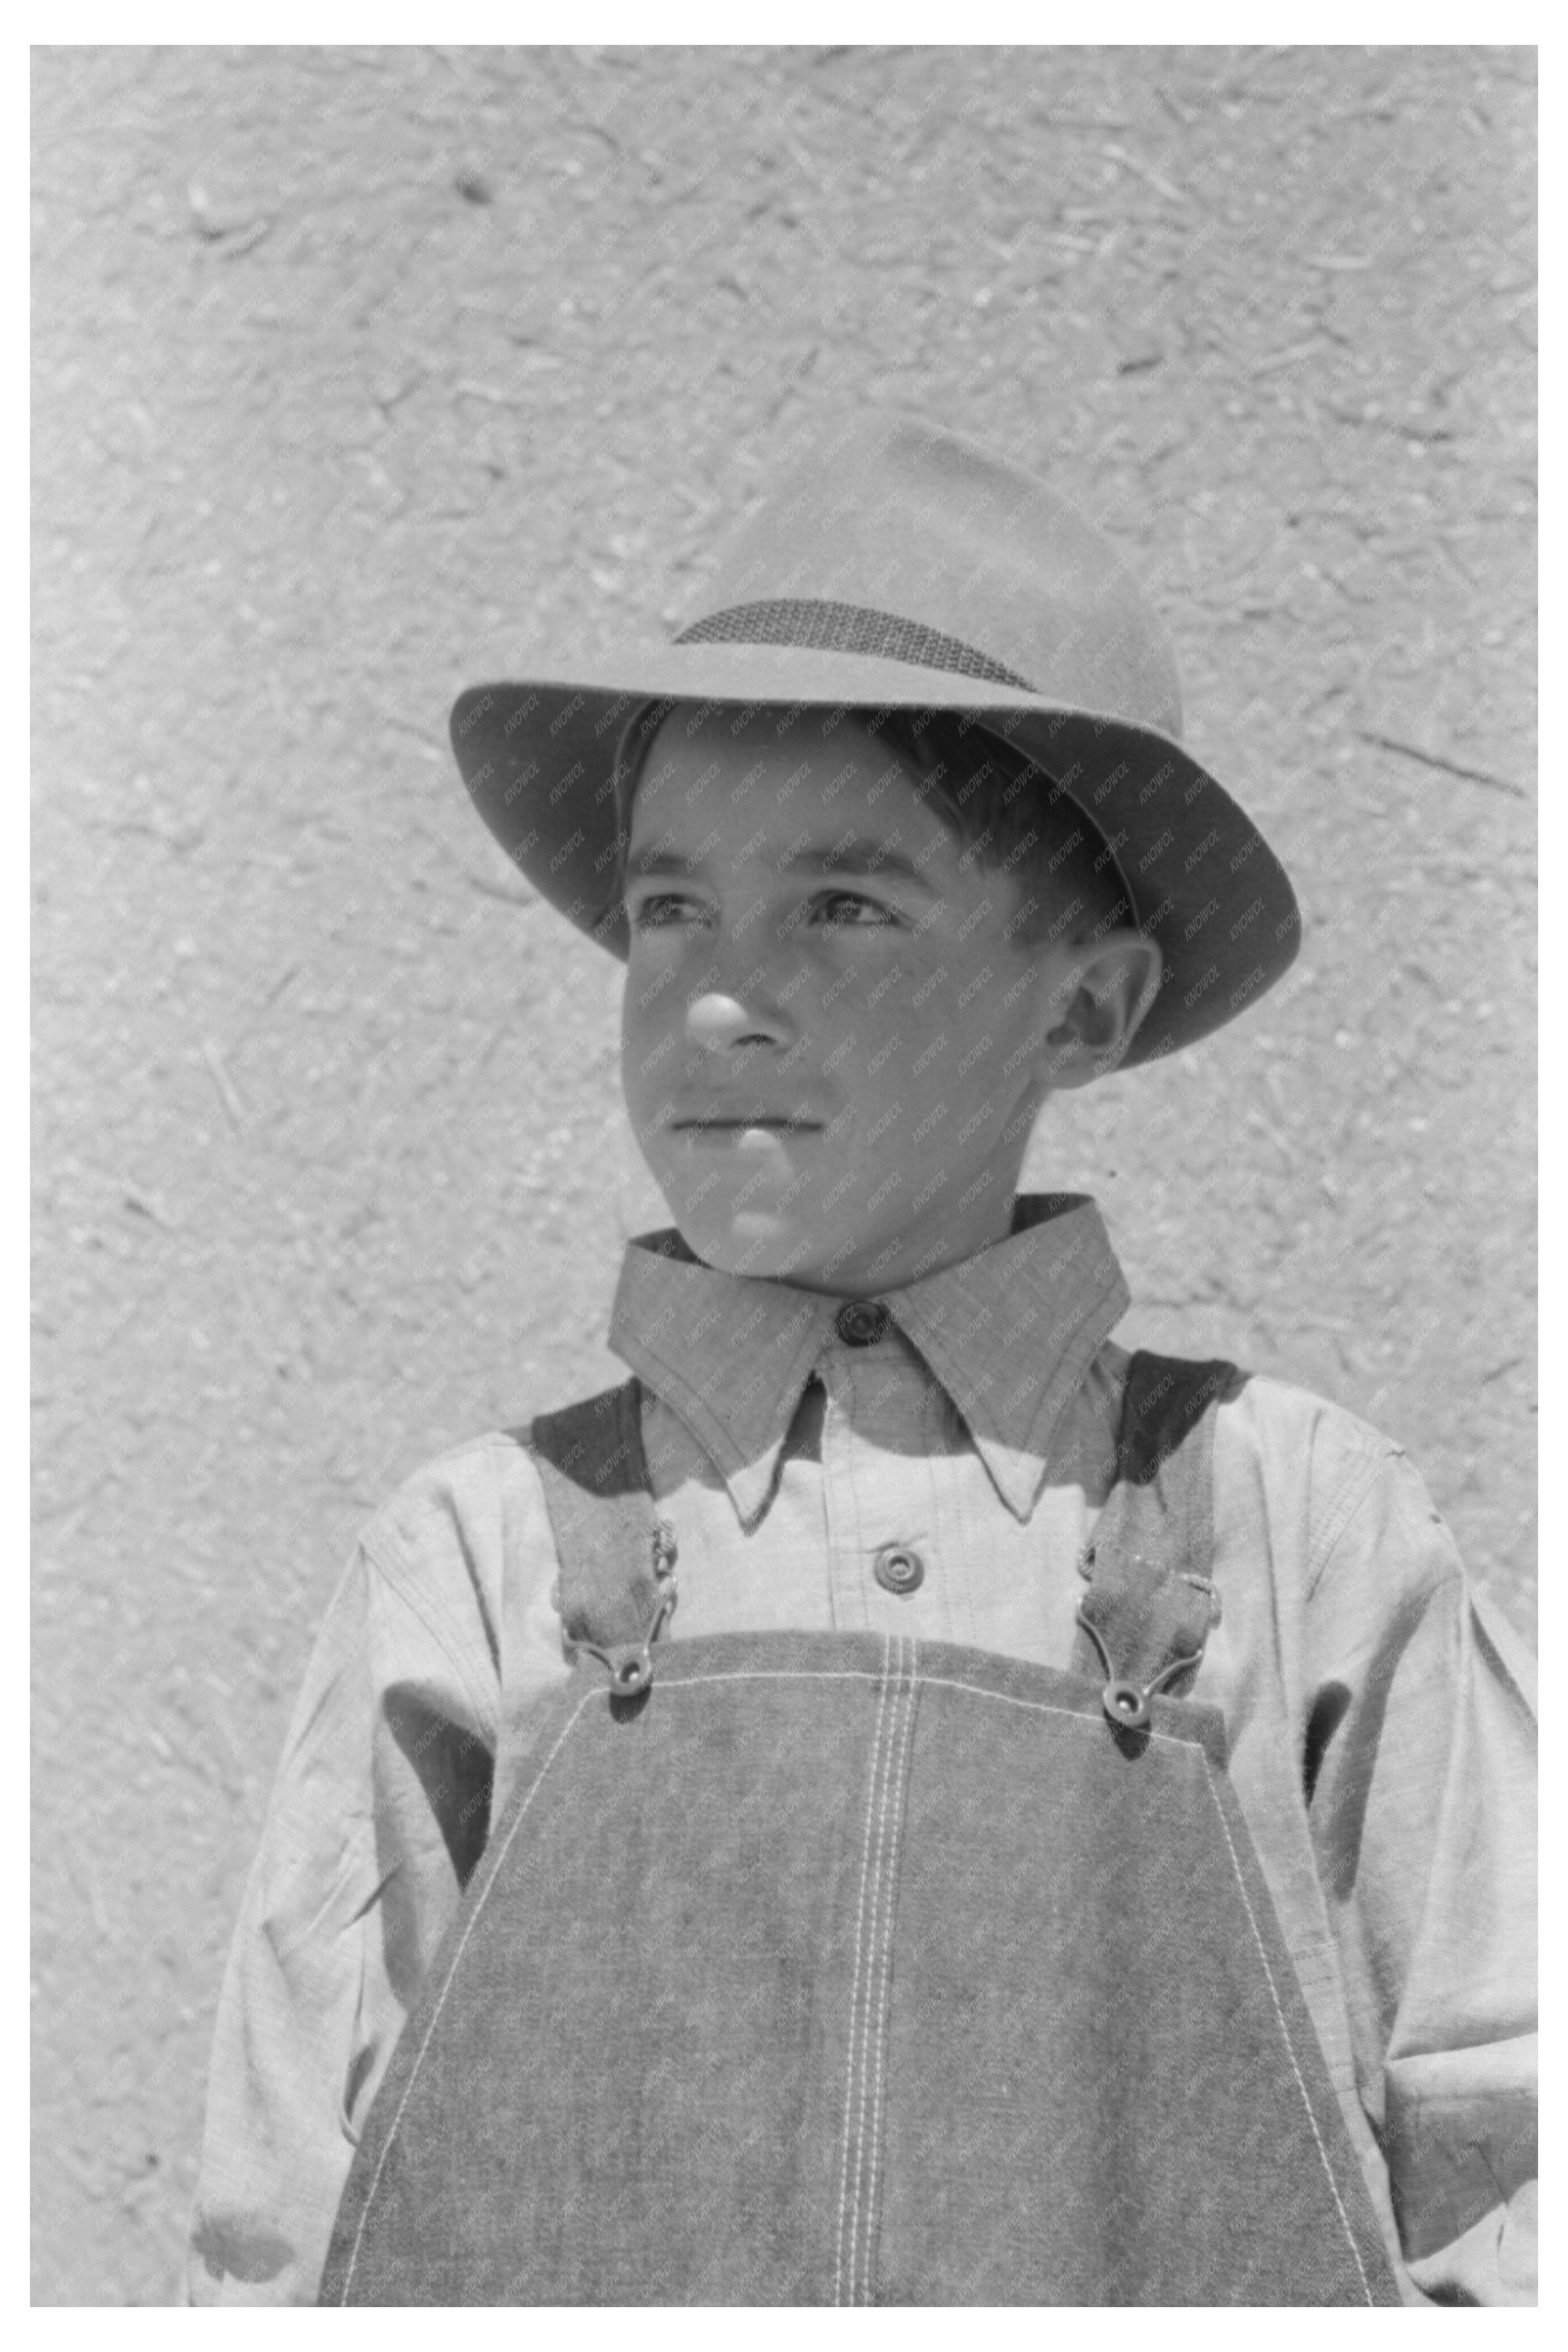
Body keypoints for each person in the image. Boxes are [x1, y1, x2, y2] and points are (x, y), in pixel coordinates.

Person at [188, 410, 1536, 2307]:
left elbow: (1510, 2177)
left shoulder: (1298, 1532)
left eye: (843, 904)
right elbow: (278, 2236)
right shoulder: (480, 1558)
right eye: (671, 907)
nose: (721, 997)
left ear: (1083, 1001)